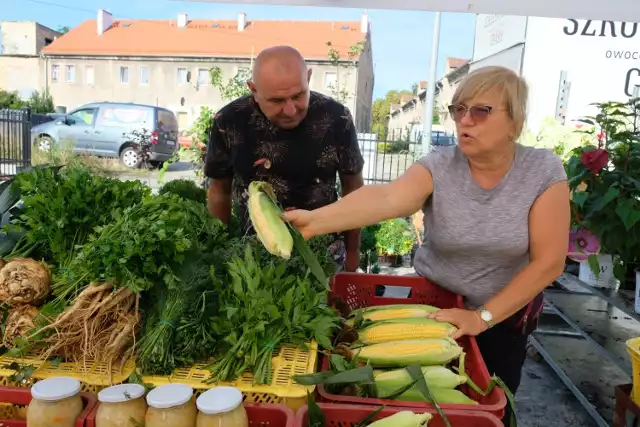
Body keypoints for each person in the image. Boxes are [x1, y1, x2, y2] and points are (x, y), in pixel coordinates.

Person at [285, 66, 570, 400]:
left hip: (503, 318)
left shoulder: (542, 171)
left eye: (480, 111)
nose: (464, 120)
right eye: (458, 110)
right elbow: (389, 196)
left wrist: (482, 317)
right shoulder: (440, 165)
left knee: (487, 400)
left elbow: (548, 262)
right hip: (430, 309)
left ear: (515, 122)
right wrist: (314, 221)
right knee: (410, 399)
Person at [204, 45, 365, 271]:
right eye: (277, 101)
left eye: (299, 95)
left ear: (308, 78)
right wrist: (216, 251)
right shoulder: (228, 121)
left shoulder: (336, 118)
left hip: (324, 255)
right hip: (255, 258)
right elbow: (219, 191)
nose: (290, 110)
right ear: (254, 90)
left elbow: (354, 189)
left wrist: (353, 252)